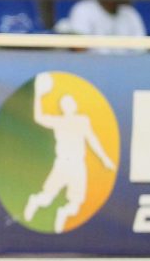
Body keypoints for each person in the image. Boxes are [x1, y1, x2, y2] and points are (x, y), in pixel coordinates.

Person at [22, 72, 116, 233]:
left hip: (78, 165)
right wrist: (38, 95)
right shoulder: (58, 121)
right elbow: (39, 118)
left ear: (74, 106)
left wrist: (104, 158)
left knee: (76, 203)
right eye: (66, 103)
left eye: (71, 103)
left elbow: (92, 140)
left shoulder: (82, 121)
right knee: (47, 197)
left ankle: (62, 213)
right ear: (62, 107)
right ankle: (34, 201)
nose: (69, 105)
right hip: (62, 163)